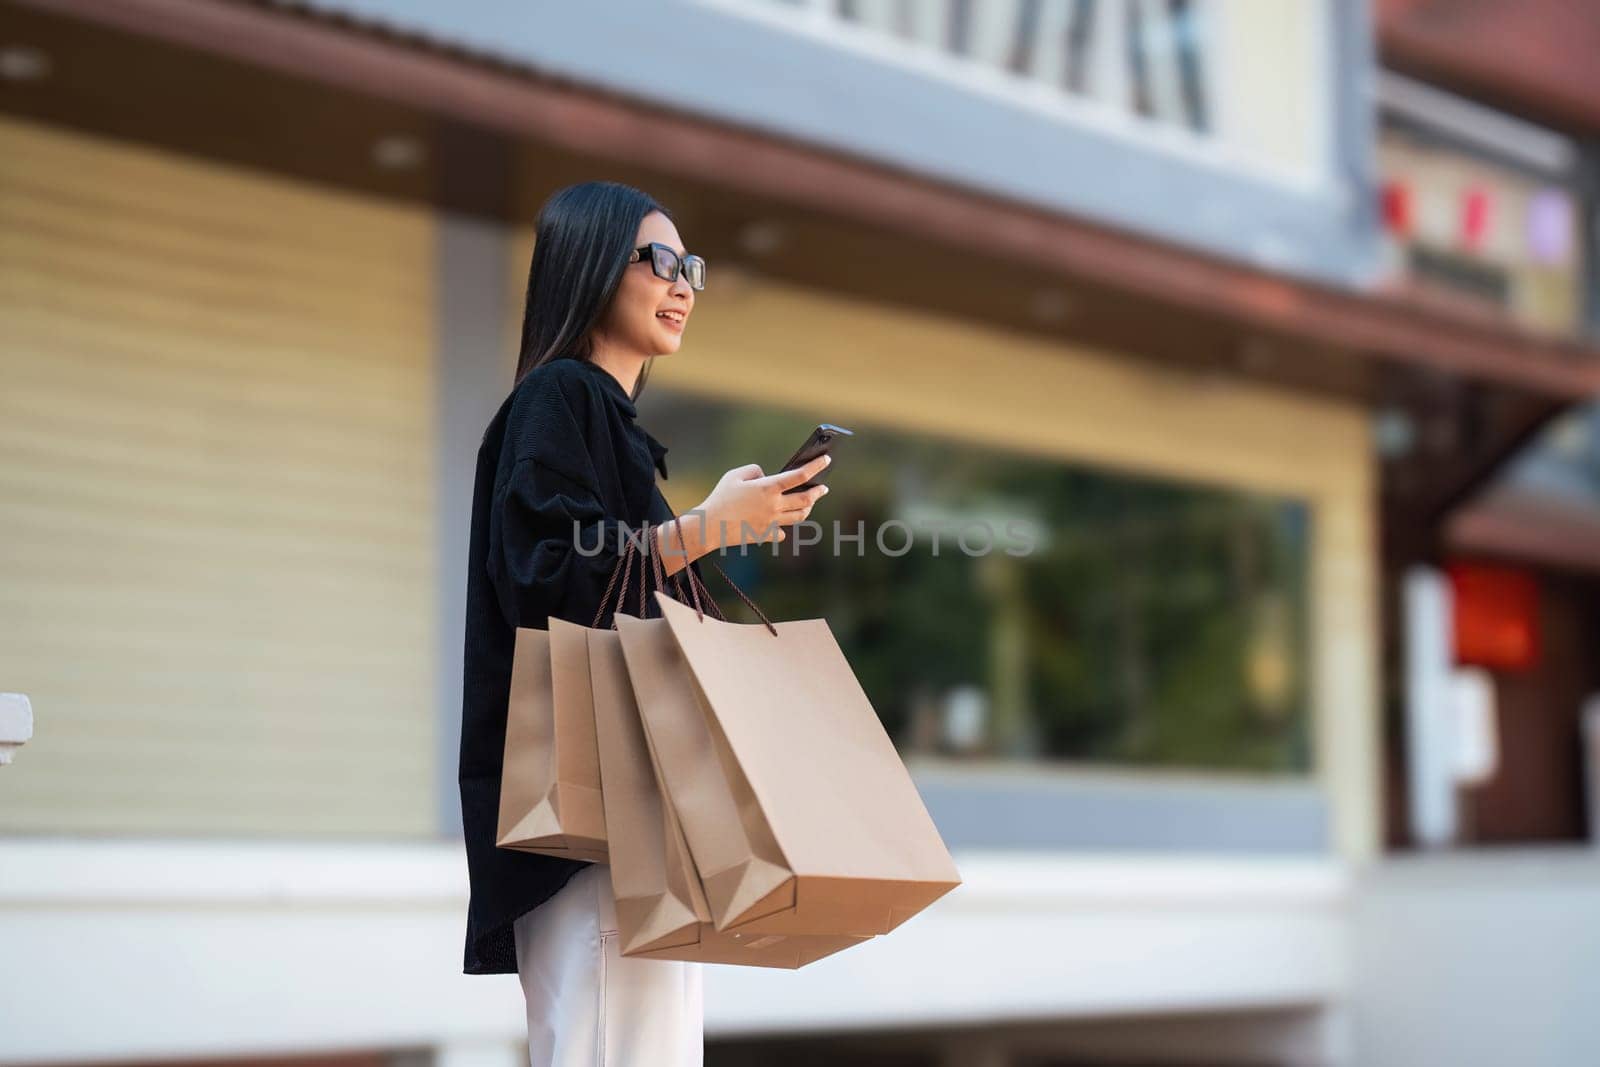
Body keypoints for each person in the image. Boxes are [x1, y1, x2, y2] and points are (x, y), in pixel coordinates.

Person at [456, 180, 831, 1066]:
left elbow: (617, 578)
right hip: (593, 834)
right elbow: (547, 581)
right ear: (589, 265)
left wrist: (716, 527)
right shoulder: (559, 397)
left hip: (627, 831)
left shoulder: (598, 420)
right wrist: (707, 527)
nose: (684, 284)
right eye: (660, 260)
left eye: (692, 266)